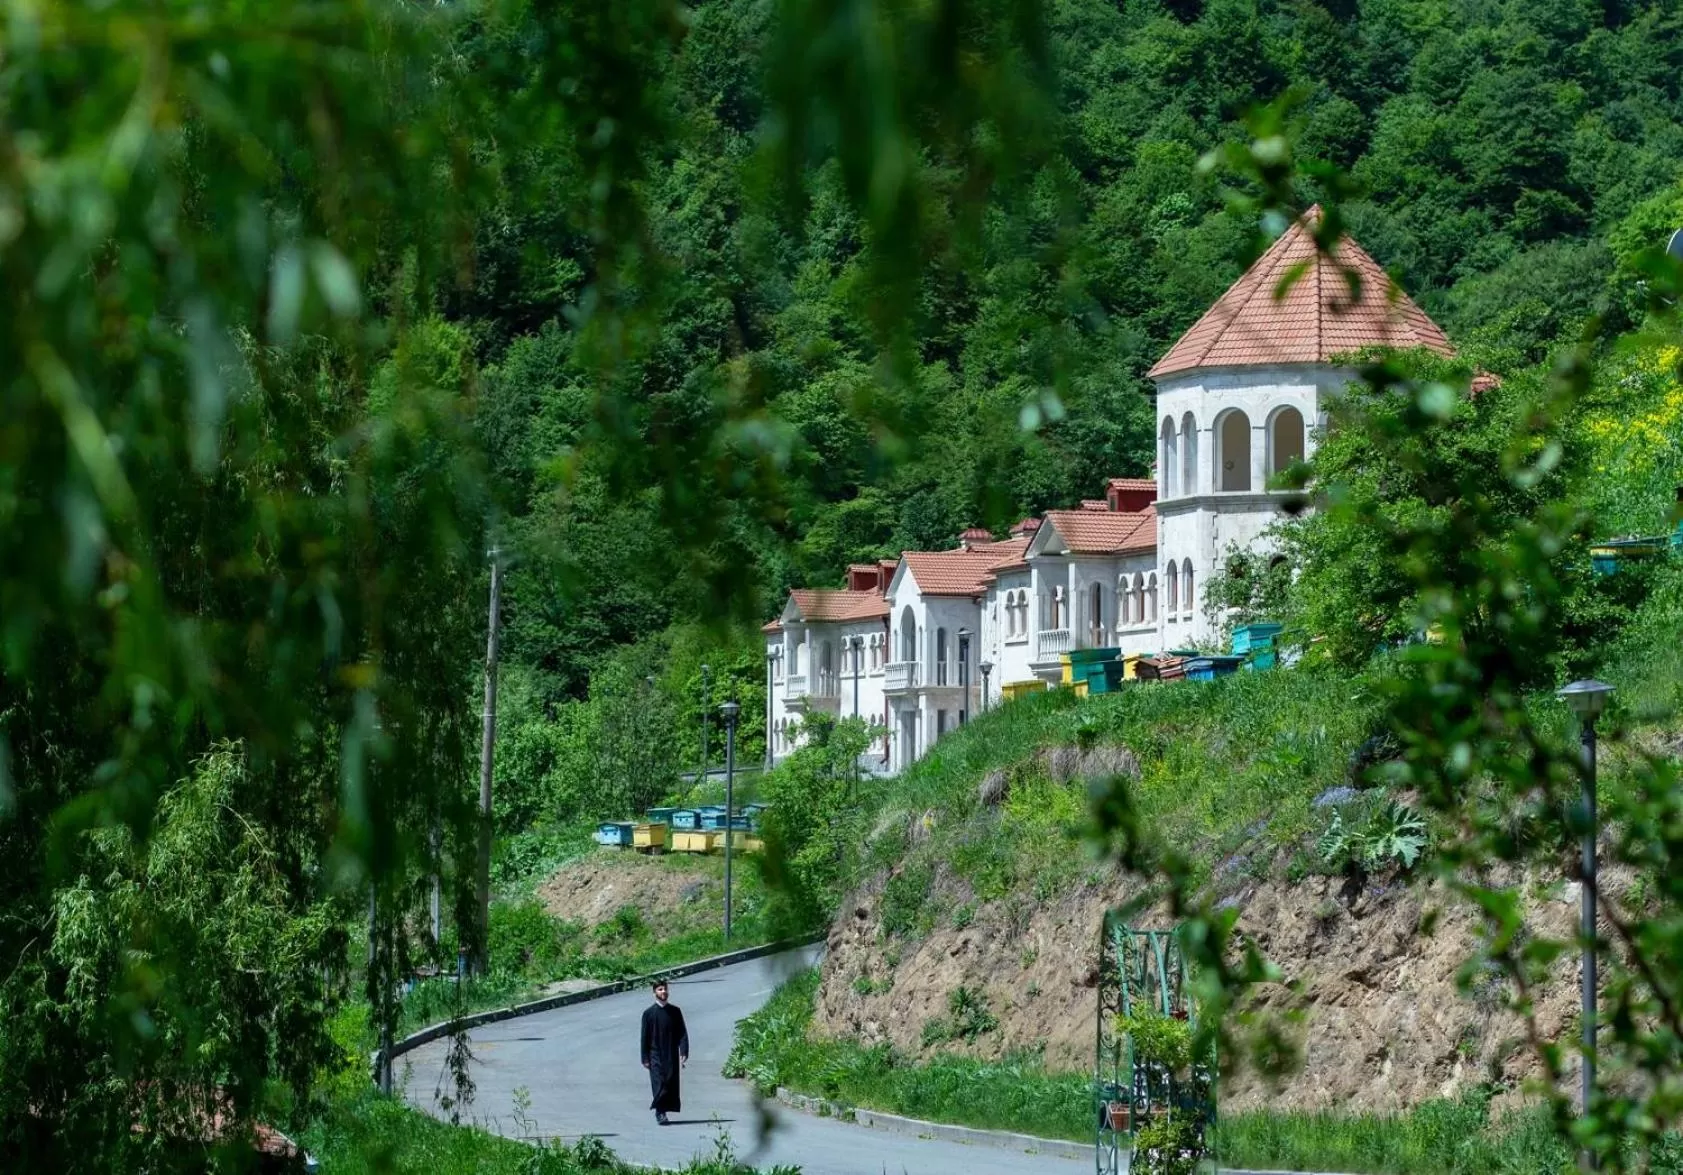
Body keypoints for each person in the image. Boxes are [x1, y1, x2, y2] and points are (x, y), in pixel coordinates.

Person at [640, 979, 689, 1125]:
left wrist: (683, 1050)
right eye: (660, 989)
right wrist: (645, 1057)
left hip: (671, 1053)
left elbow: (682, 1032)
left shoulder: (675, 1011)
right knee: (659, 1083)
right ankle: (660, 1112)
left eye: (665, 989)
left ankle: (664, 1110)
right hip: (655, 1054)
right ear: (654, 992)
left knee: (669, 1082)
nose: (664, 992)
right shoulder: (648, 1014)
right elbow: (644, 1037)